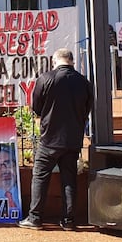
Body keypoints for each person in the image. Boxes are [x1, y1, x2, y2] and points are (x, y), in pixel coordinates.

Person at [19, 47, 93, 231]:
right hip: (73, 138)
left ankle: (35, 217)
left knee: (40, 176)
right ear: (72, 61)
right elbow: (88, 108)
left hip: (49, 138)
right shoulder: (84, 82)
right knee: (69, 178)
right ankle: (68, 220)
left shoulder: (46, 79)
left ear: (55, 61)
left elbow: (36, 106)